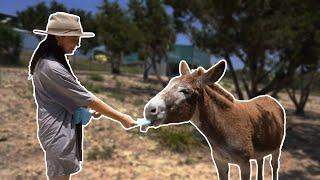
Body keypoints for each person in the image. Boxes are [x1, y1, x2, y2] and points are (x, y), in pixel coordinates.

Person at [28, 12, 136, 180]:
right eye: (74, 39)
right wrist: (121, 117)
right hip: (59, 136)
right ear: (58, 37)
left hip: (61, 134)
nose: (77, 44)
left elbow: (63, 100)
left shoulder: (50, 62)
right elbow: (88, 98)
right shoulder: (51, 67)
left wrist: (88, 112)